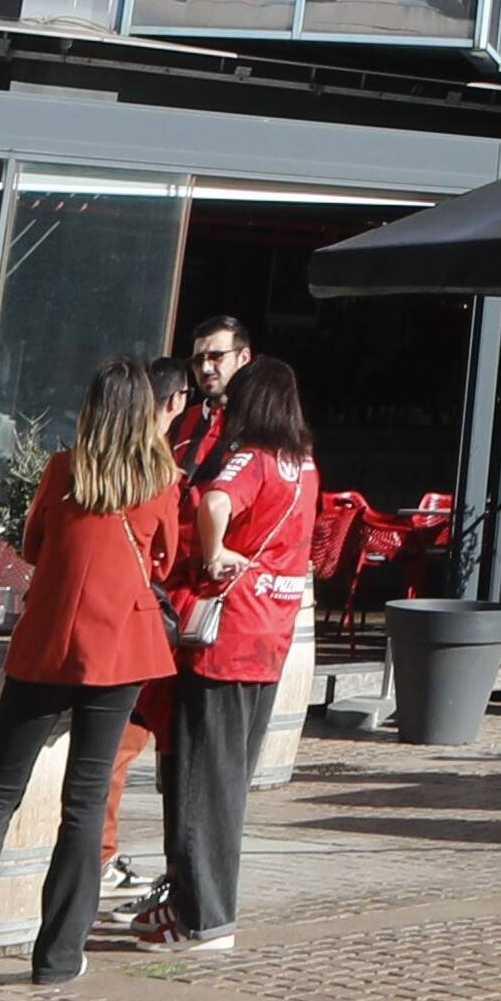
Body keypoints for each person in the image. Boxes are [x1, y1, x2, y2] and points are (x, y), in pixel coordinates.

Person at [0, 358, 179, 987]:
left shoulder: (63, 469)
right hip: (119, 649)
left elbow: (32, 547)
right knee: (84, 802)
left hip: (49, 644)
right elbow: (163, 560)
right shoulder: (162, 479)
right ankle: (58, 957)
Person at [132, 358, 317, 953]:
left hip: (225, 635)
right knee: (229, 782)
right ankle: (197, 905)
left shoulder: (250, 458)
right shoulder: (305, 465)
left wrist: (213, 554)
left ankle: (202, 918)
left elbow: (215, 502)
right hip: (271, 636)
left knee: (200, 781)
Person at [101, 356, 196, 887]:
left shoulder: (90, 459)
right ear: (175, 400)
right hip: (138, 623)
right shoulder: (158, 470)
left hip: (92, 621)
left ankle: (96, 854)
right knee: (121, 745)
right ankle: (99, 855)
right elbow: (164, 555)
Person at [171, 315, 252, 485]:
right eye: (198, 360)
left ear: (243, 358)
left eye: (216, 356)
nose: (205, 368)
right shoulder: (179, 423)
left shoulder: (264, 424)